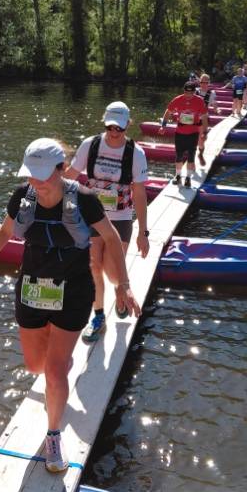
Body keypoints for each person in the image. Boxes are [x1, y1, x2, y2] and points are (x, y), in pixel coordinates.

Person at [0, 138, 140, 471]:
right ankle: (57, 368)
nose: (36, 181)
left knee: (53, 369)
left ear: (61, 169)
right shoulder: (23, 198)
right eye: (31, 174)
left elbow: (110, 238)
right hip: (32, 289)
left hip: (74, 290)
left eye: (42, 175)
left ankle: (53, 436)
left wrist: (122, 285)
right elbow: (5, 232)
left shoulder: (85, 200)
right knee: (36, 365)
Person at [64, 101, 150, 344]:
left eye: (120, 129)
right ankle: (98, 316)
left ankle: (120, 289)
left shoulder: (136, 153)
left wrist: (143, 232)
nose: (114, 133)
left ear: (127, 126)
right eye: (110, 127)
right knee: (93, 267)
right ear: (105, 123)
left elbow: (140, 193)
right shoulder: (90, 145)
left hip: (120, 218)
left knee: (113, 272)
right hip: (91, 215)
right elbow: (71, 176)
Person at [159, 80, 209, 187]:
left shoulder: (199, 101)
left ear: (194, 92)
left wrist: (204, 132)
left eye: (190, 93)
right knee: (179, 157)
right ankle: (178, 176)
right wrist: (163, 126)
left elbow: (204, 117)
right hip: (180, 133)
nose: (188, 95)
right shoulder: (178, 100)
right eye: (186, 93)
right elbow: (168, 112)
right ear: (184, 91)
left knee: (191, 157)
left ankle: (188, 178)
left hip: (193, 133)